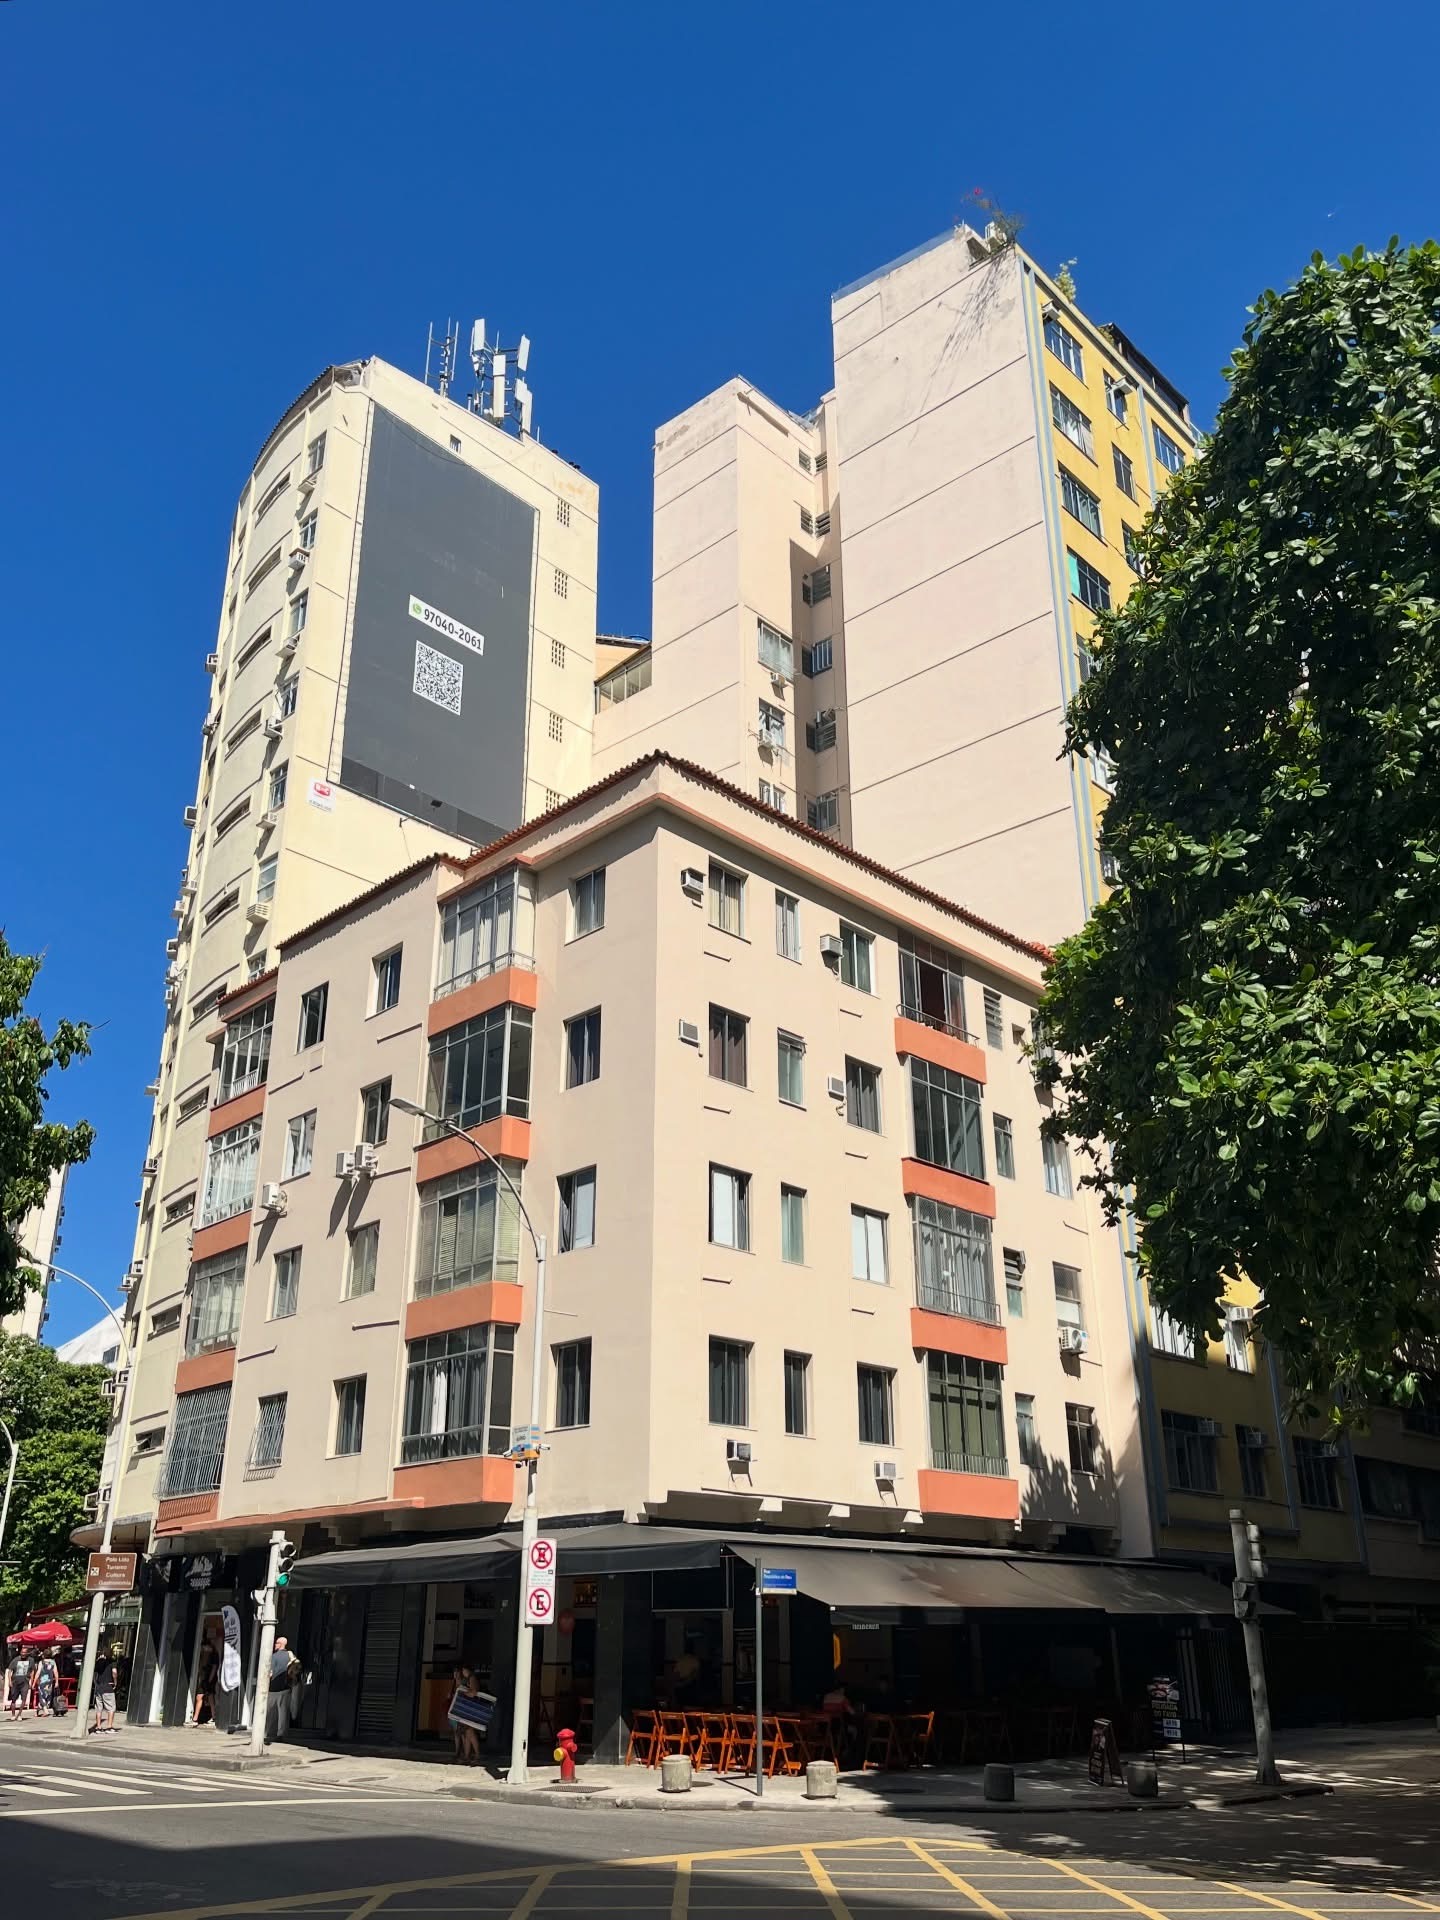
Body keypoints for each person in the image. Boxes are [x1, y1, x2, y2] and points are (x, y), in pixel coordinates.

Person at [268, 1636, 299, 1740]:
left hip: (273, 1688)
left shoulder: (274, 1656)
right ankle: (281, 1733)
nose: (275, 1644)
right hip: (286, 1688)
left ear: (281, 1644)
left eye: (276, 1643)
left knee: (271, 1712)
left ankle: (269, 1732)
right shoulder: (291, 1656)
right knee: (283, 1713)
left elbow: (270, 1673)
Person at [90, 1645, 118, 1734]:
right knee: (111, 1708)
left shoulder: (99, 1661)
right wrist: (115, 1682)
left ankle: (98, 1727)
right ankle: (109, 1727)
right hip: (108, 1687)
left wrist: (96, 1683)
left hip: (99, 1687)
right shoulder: (112, 1662)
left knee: (99, 1708)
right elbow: (114, 1672)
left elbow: (94, 1673)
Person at [6, 1648, 35, 1720]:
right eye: (22, 1652)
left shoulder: (31, 1660)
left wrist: (31, 1681)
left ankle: (19, 1714)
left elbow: (32, 1671)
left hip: (25, 1682)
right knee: (13, 1699)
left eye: (24, 1652)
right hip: (15, 1682)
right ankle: (13, 1715)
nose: (23, 1654)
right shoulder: (16, 1660)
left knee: (24, 1699)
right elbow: (10, 1670)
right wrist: (10, 1681)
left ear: (27, 1653)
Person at [35, 1652, 59, 1718]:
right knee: (47, 1696)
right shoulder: (53, 1662)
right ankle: (38, 1710)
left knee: (42, 1696)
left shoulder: (41, 1662)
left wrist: (34, 1681)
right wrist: (57, 1681)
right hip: (49, 1682)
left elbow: (38, 1672)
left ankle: (46, 1711)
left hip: (42, 1681)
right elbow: (56, 1672)